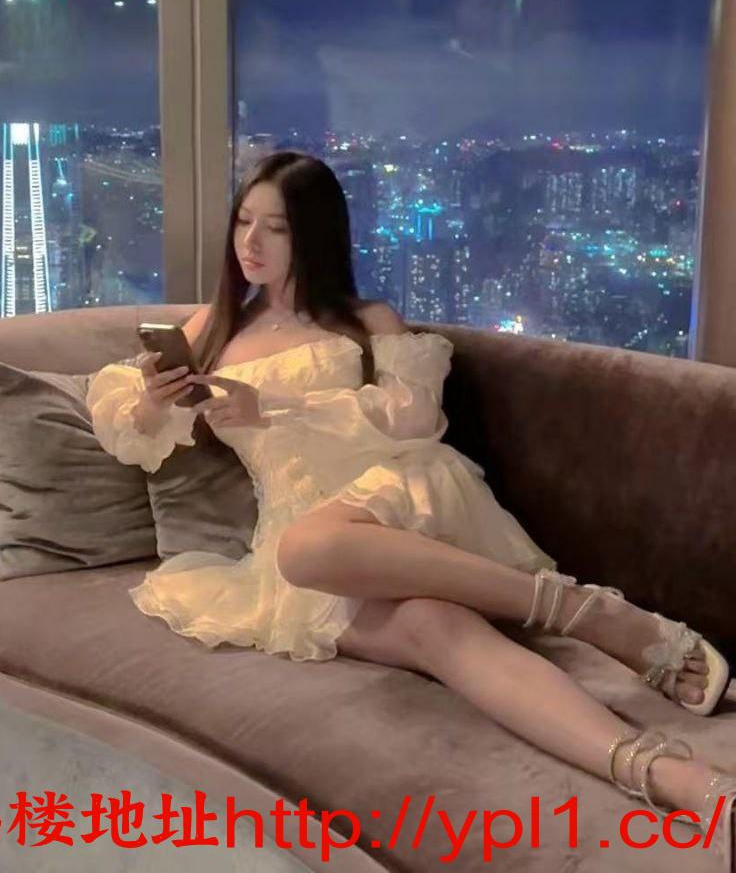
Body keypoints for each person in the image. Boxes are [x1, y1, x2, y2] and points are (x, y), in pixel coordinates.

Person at [86, 149, 735, 858]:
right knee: (430, 627)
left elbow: (415, 418)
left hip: (399, 502)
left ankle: (584, 612)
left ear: (316, 234)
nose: (252, 242)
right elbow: (124, 422)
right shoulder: (214, 329)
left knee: (311, 546)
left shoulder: (367, 320)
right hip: (304, 557)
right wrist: (154, 401)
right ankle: (688, 782)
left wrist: (272, 407)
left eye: (277, 227)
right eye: (244, 221)